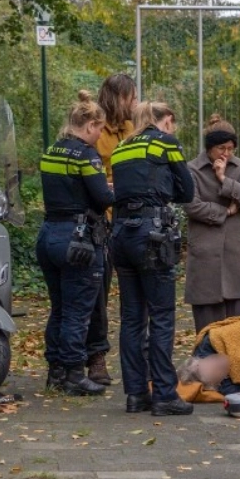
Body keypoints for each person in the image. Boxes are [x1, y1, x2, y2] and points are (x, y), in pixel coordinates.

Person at [109, 101, 196, 417]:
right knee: (161, 315)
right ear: (166, 121)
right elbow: (187, 191)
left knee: (132, 318)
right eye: (173, 123)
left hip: (120, 234)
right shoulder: (165, 142)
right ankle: (163, 394)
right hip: (153, 235)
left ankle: (135, 394)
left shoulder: (121, 148)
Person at [37, 90, 115, 396]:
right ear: (90, 125)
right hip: (79, 241)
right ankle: (73, 373)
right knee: (77, 311)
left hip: (49, 236)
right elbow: (103, 198)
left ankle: (54, 371)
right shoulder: (86, 155)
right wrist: (116, 188)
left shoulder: (51, 151)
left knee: (58, 307)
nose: (100, 136)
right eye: (99, 129)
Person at [84, 73, 138, 386]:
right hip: (102, 219)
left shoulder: (132, 129)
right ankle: (96, 357)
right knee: (97, 291)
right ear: (119, 97)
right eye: (131, 96)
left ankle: (136, 358)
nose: (135, 102)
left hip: (128, 218)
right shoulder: (96, 129)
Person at [184, 114, 240, 331]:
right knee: (208, 331)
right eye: (221, 148)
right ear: (209, 148)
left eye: (230, 148)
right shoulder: (192, 170)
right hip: (206, 258)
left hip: (237, 257)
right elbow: (191, 206)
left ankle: (238, 366)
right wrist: (225, 211)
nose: (226, 154)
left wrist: (224, 179)